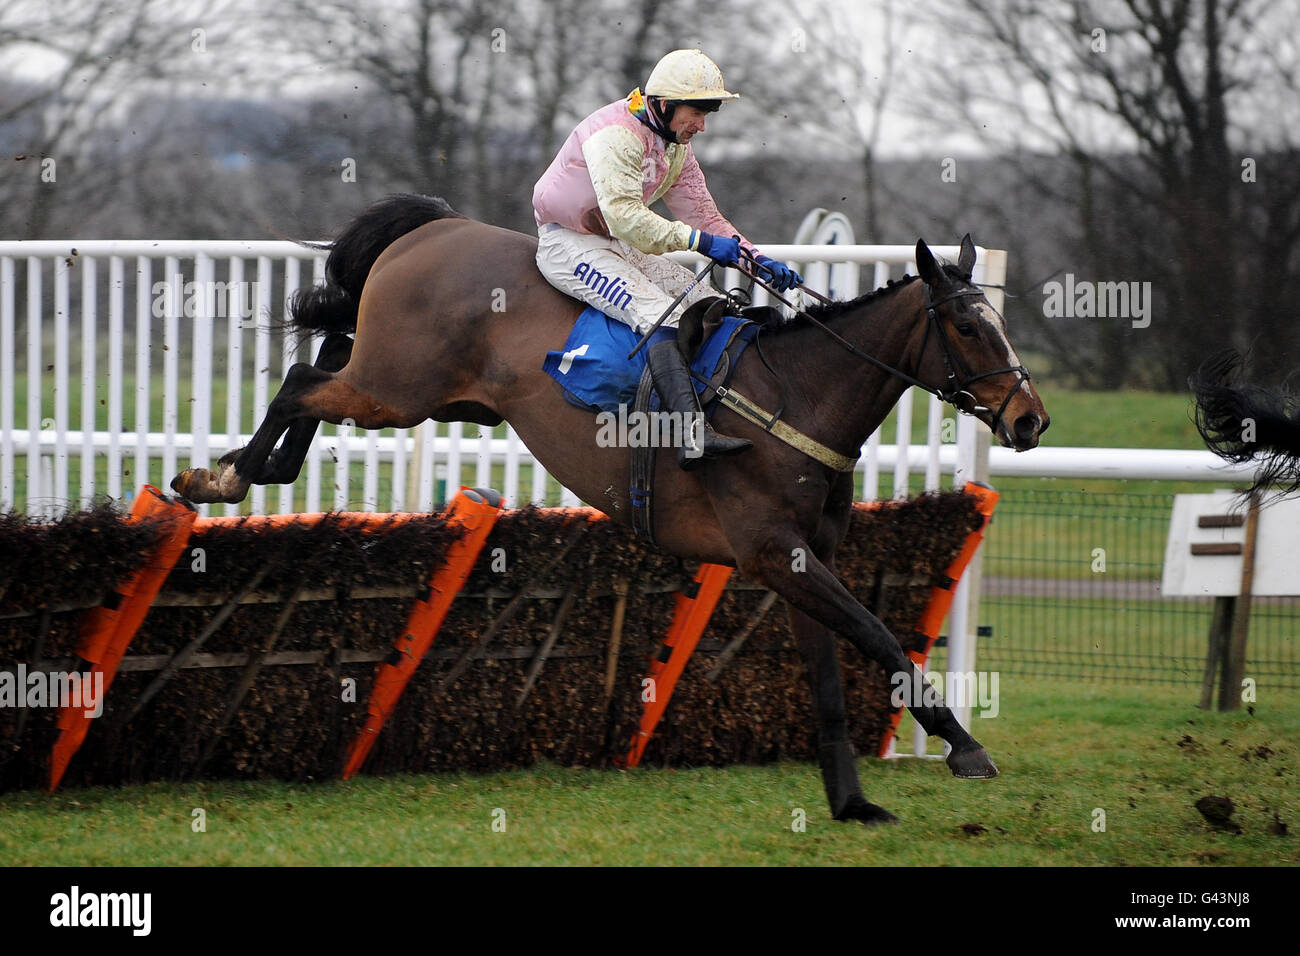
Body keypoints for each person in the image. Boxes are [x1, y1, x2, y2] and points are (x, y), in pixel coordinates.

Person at [532, 48, 803, 469]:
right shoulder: (617, 134)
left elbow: (706, 218)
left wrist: (756, 260)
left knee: (705, 303)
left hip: (614, 242)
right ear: (663, 103)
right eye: (697, 112)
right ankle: (690, 435)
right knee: (666, 316)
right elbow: (624, 218)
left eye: (708, 113)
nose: (703, 125)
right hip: (568, 244)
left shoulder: (673, 145)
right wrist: (700, 243)